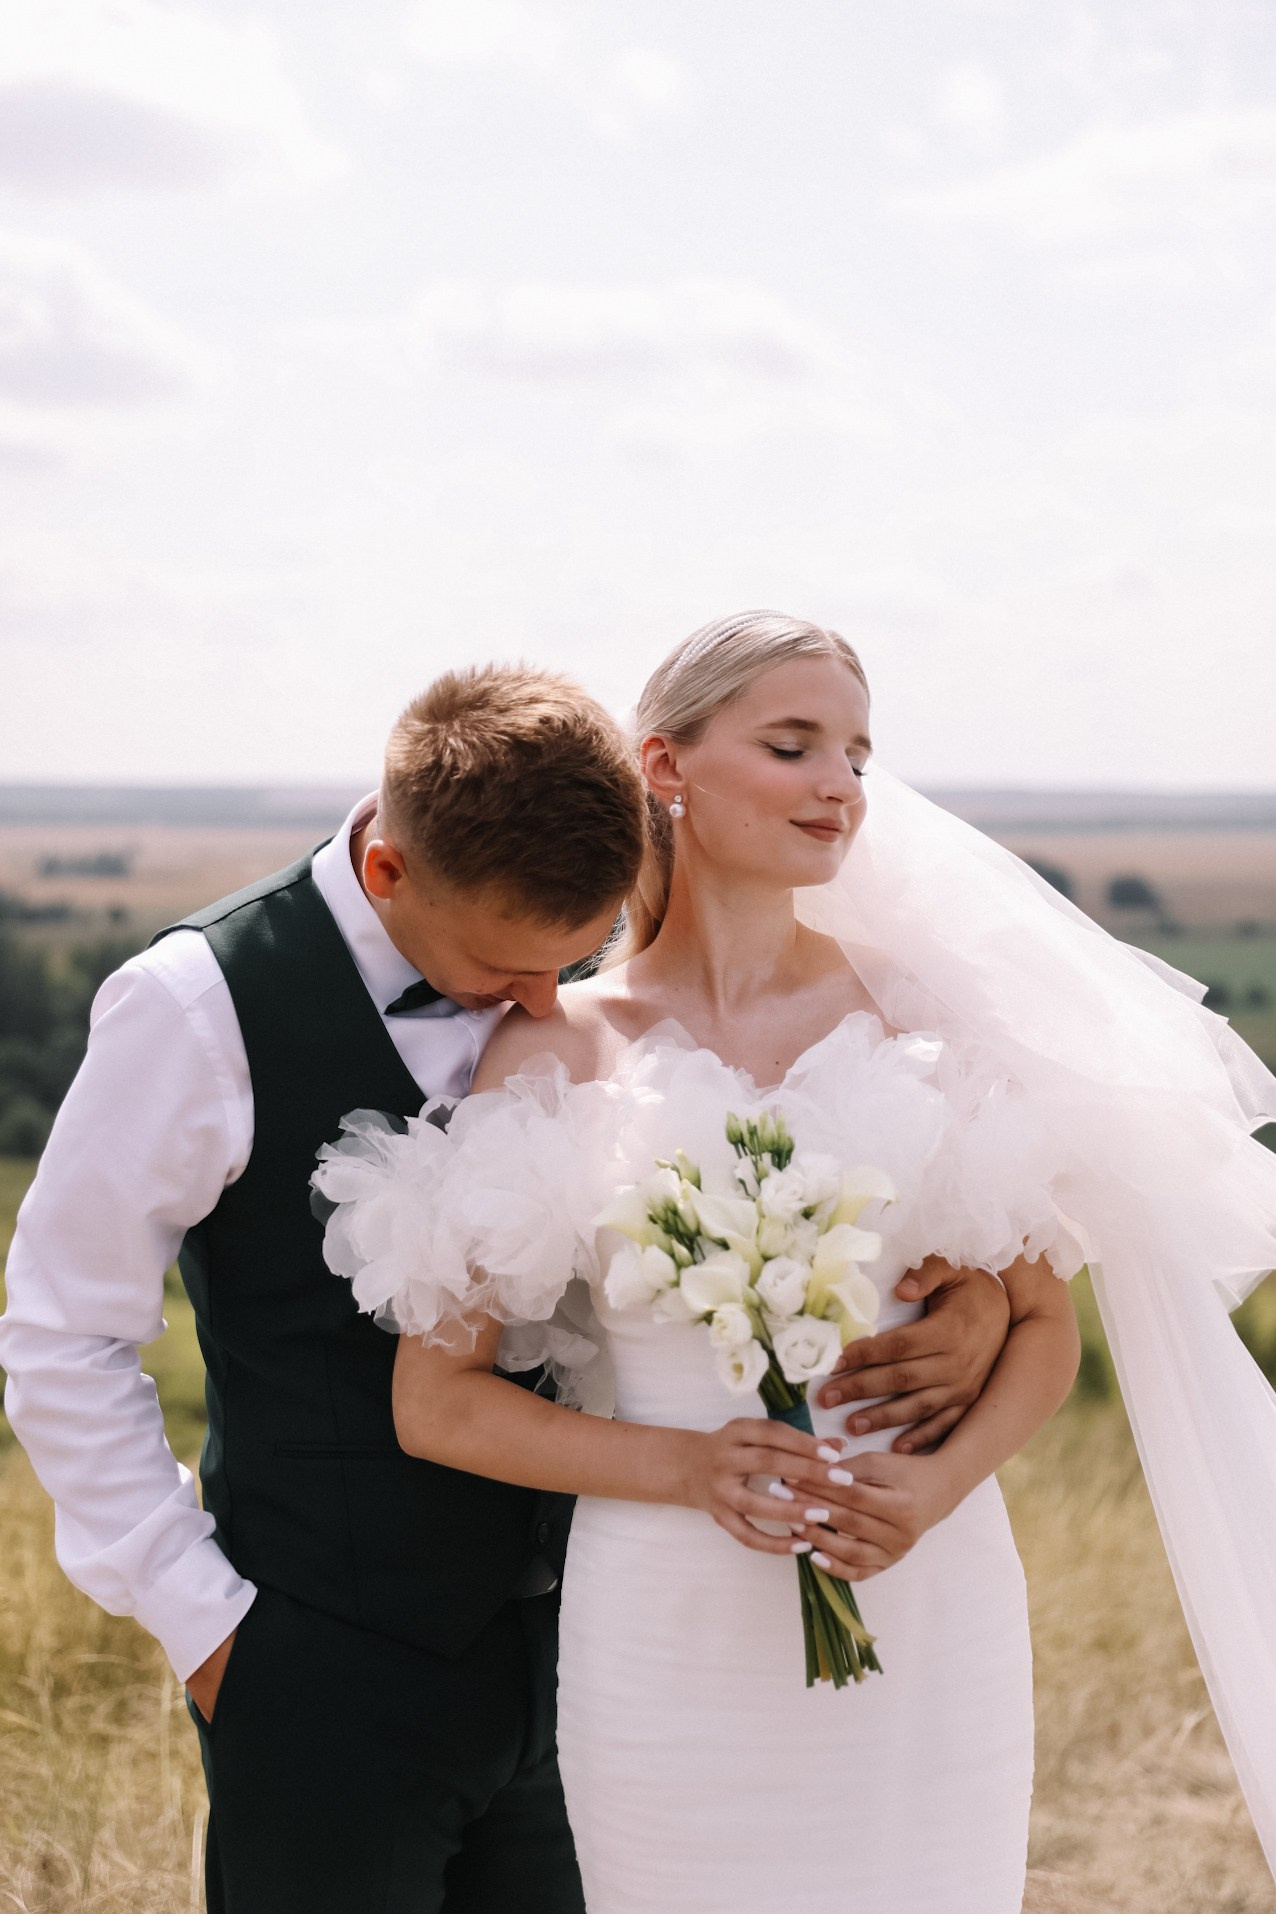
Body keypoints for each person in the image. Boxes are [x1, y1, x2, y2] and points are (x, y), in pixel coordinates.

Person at [0, 660, 1010, 1914]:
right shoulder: (194, 1006)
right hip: (324, 1660)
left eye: (569, 961)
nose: (539, 1006)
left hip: (586, 1648)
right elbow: (62, 1336)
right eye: (500, 971)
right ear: (387, 873)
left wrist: (975, 1302)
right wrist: (203, 1626)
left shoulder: (572, 969)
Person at [315, 616, 1088, 1912]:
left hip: (922, 1600)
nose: (842, 782)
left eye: (856, 749)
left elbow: (1045, 1328)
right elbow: (433, 1400)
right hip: (666, 1631)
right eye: (794, 744)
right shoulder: (557, 1051)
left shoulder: (923, 1018)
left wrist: (939, 1488)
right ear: (665, 767)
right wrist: (687, 1464)